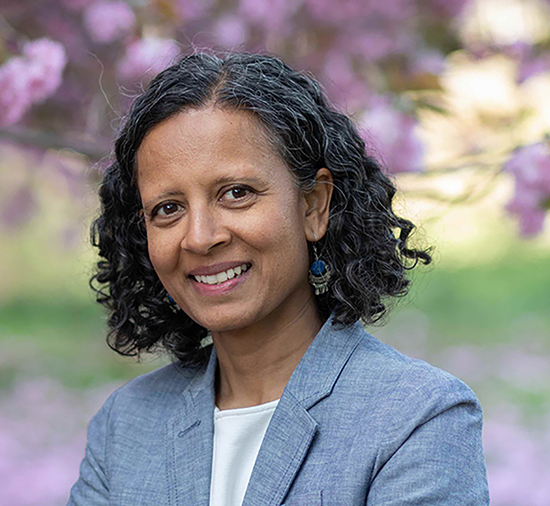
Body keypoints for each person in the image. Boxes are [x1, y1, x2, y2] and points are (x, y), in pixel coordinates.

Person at [68, 52, 489, 505]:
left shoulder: (415, 418)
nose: (200, 237)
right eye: (168, 208)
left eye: (236, 193)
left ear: (314, 207)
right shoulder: (125, 426)